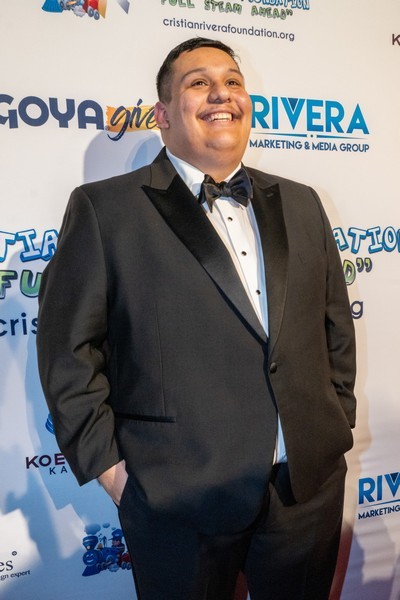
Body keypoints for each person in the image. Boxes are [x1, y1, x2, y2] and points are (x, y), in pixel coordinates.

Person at [36, 37, 356, 600]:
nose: (221, 94)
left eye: (232, 81)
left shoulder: (302, 201)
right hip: (178, 500)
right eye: (199, 83)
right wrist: (113, 473)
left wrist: (335, 423)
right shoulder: (105, 209)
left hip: (306, 490)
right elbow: (68, 352)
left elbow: (335, 328)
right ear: (162, 115)